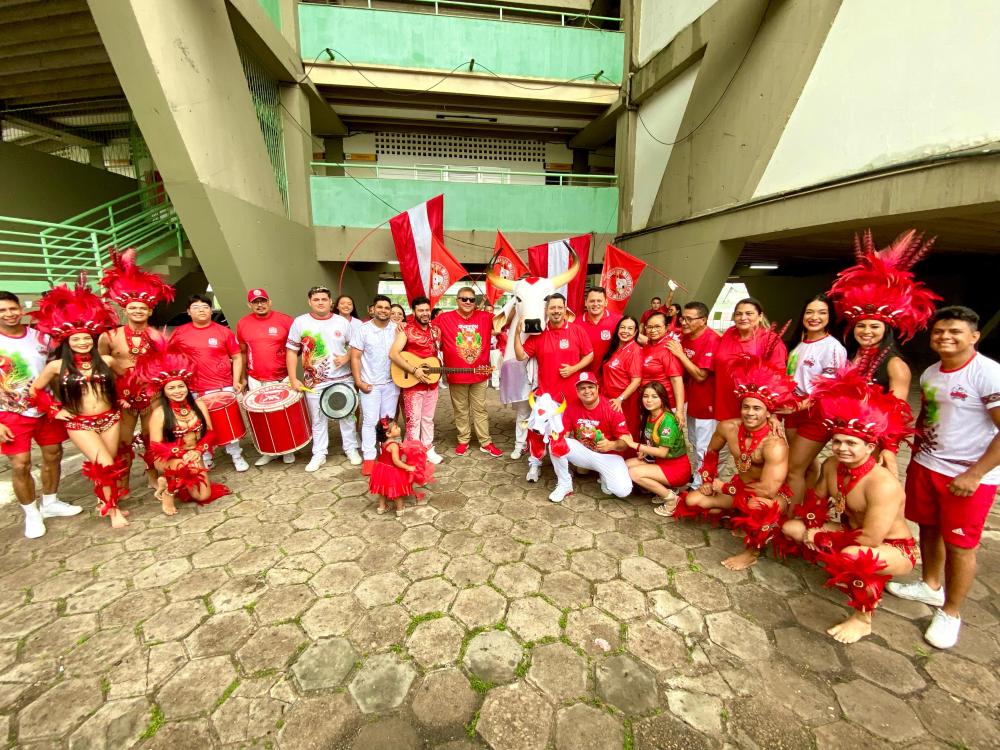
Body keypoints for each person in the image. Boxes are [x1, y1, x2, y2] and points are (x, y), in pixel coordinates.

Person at [887, 306, 1000, 649]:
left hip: (967, 476)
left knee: (960, 546)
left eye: (954, 332)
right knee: (929, 527)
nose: (945, 337)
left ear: (974, 336)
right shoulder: (931, 373)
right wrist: (915, 456)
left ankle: (951, 613)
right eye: (939, 332)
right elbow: (928, 418)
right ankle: (930, 584)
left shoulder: (988, 373)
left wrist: (975, 474)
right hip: (928, 465)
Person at [780, 364, 915, 644]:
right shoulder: (831, 465)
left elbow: (871, 538)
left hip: (891, 546)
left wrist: (820, 536)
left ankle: (863, 619)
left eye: (851, 443)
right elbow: (816, 501)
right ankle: (842, 570)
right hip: (850, 531)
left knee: (855, 556)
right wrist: (811, 524)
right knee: (792, 528)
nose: (842, 448)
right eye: (838, 441)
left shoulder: (882, 484)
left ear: (870, 447)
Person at [677, 357, 795, 570]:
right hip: (739, 489)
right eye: (746, 407)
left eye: (757, 408)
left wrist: (725, 487)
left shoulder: (774, 444)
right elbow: (711, 452)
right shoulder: (728, 427)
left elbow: (768, 490)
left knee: (756, 506)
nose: (750, 413)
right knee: (694, 500)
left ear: (768, 412)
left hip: (770, 497)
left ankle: (752, 552)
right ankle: (738, 517)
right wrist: (707, 479)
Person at [28, 277, 129, 529]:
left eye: (86, 339)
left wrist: (123, 396)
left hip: (110, 418)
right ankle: (113, 510)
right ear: (67, 342)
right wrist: (53, 409)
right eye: (76, 339)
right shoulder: (56, 366)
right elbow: (35, 390)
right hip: (80, 423)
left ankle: (103, 500)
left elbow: (125, 378)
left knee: (108, 462)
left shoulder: (106, 361)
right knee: (104, 463)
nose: (82, 343)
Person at [0, 291, 78, 538]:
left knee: (53, 454)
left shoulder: (42, 337)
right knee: (20, 464)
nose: (9, 314)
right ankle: (31, 513)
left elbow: (58, 369)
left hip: (46, 409)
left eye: (13, 308)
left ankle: (50, 502)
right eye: (2, 310)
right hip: (10, 412)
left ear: (21, 309)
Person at [98, 248, 173, 491]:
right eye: (133, 308)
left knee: (152, 438)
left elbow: (166, 365)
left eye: (142, 308)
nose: (138, 311)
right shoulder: (110, 336)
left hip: (152, 395)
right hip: (122, 398)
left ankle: (153, 477)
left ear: (150, 310)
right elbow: (101, 364)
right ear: (125, 310)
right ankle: (123, 482)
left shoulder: (158, 336)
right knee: (123, 441)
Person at [142, 342, 230, 514]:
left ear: (187, 387)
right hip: (168, 459)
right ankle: (168, 493)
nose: (177, 391)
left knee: (203, 496)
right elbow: (155, 447)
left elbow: (210, 433)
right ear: (164, 391)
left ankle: (169, 482)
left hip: (194, 454)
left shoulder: (199, 405)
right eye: (171, 388)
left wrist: (197, 450)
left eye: (181, 386)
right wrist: (181, 454)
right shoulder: (159, 413)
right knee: (186, 467)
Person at [285, 285, 361, 472]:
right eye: (316, 299)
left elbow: (355, 345)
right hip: (314, 381)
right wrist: (293, 378)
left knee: (347, 415)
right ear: (309, 302)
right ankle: (319, 453)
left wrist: (346, 357)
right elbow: (292, 351)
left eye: (324, 299)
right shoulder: (300, 322)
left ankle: (351, 448)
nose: (320, 302)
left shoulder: (342, 322)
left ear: (331, 302)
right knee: (318, 419)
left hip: (342, 378)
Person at [169, 294, 249, 472]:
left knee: (228, 423)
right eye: (196, 307)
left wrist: (236, 380)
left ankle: (236, 455)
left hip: (223, 386)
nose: (201, 310)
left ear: (211, 310)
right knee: (200, 426)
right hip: (194, 389)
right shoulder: (180, 333)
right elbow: (171, 358)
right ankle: (206, 456)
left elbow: (237, 357)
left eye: (205, 307)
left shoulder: (223, 332)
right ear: (188, 311)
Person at [783, 294, 847, 503]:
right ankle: (808, 506)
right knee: (807, 465)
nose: (814, 317)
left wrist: (800, 405)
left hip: (816, 413)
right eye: (809, 312)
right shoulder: (799, 345)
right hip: (793, 412)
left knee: (793, 469)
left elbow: (831, 388)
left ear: (830, 317)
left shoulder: (833, 347)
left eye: (822, 312)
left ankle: (791, 514)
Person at [531, 372, 633, 501]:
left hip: (609, 456)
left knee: (623, 491)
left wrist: (611, 445)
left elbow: (625, 442)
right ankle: (565, 484)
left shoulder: (611, 407)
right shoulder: (571, 407)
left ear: (597, 388)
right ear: (577, 391)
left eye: (590, 387)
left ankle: (603, 475)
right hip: (585, 453)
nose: (587, 391)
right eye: (582, 388)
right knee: (556, 442)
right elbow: (564, 435)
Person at [434, 286, 503, 457]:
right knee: (461, 409)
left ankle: (485, 442)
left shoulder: (485, 316)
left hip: (480, 373)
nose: (467, 302)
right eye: (463, 299)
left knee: (480, 409)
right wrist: (401, 324)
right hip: (456, 373)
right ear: (457, 300)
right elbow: (424, 325)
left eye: (471, 299)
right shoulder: (444, 318)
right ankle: (463, 440)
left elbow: (505, 319)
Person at [236, 287, 295, 466]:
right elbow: (242, 352)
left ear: (270, 302)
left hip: (282, 377)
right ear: (249, 305)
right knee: (262, 419)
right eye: (255, 302)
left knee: (283, 416)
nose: (260, 305)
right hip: (256, 378)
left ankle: (289, 449)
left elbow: (295, 349)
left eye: (263, 301)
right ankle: (269, 451)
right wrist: (243, 377)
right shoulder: (242, 323)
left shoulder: (285, 320)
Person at [666, 302, 720, 488]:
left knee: (705, 446)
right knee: (694, 442)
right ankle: (698, 475)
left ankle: (701, 485)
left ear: (703, 320)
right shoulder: (684, 336)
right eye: (683, 318)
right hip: (690, 399)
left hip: (707, 402)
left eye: (689, 319)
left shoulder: (711, 340)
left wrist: (680, 354)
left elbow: (700, 376)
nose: (684, 322)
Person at [713, 298, 787, 422]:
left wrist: (772, 413)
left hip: (753, 411)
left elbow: (778, 377)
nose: (743, 318)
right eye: (738, 314)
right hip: (725, 404)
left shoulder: (770, 341)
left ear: (760, 316)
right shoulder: (729, 333)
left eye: (749, 313)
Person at [389, 296, 443, 464]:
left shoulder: (436, 330)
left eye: (427, 310)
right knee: (413, 421)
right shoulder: (405, 330)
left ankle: (428, 448)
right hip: (412, 384)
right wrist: (414, 370)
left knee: (428, 419)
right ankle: (413, 453)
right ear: (413, 312)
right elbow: (393, 354)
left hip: (431, 382)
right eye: (420, 310)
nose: (424, 313)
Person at [624, 381, 691, 516]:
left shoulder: (667, 421)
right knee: (626, 465)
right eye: (645, 396)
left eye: (654, 397)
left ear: (663, 399)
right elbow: (652, 442)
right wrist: (644, 451)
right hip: (660, 463)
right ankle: (665, 488)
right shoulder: (650, 415)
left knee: (634, 473)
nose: (649, 400)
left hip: (676, 468)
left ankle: (672, 500)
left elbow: (662, 452)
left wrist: (635, 445)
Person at [351, 295, 401, 475]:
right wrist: (359, 382)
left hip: (391, 383)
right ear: (372, 309)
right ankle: (369, 457)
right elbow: (355, 357)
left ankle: (386, 454)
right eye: (380, 307)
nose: (383, 311)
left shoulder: (397, 329)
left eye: (387, 308)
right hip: (370, 385)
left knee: (387, 421)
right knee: (370, 421)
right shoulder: (363, 330)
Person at [514, 293, 593, 405]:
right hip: (546, 398)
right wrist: (517, 334)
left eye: (560, 307)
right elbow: (520, 356)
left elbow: (589, 355)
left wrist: (573, 369)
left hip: (573, 396)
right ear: (546, 310)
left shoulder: (577, 330)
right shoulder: (538, 334)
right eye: (552, 308)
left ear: (565, 310)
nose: (556, 311)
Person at [369, 417, 432, 517]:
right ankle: (399, 509)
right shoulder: (393, 445)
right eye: (396, 427)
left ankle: (381, 507)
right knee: (396, 491)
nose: (399, 428)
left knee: (382, 490)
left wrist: (401, 447)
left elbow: (387, 454)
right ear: (388, 434)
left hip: (382, 469)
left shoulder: (384, 442)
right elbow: (396, 461)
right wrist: (408, 467)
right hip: (392, 470)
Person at [600, 316, 643, 438]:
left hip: (624, 401)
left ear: (635, 332)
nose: (625, 331)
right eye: (622, 327)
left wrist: (620, 398)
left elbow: (636, 381)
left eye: (630, 328)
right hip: (609, 399)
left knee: (625, 433)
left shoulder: (635, 350)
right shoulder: (615, 347)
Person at [640, 312, 685, 421]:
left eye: (657, 326)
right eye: (649, 327)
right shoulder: (648, 344)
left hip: (667, 404)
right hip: (650, 403)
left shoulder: (669, 347)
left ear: (666, 327)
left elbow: (676, 380)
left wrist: (679, 410)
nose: (653, 330)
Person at [578, 287, 621, 374]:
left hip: (610, 375)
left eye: (599, 301)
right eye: (592, 301)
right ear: (586, 302)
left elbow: (634, 337)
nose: (595, 304)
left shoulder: (618, 320)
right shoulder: (577, 323)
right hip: (585, 376)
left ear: (606, 302)